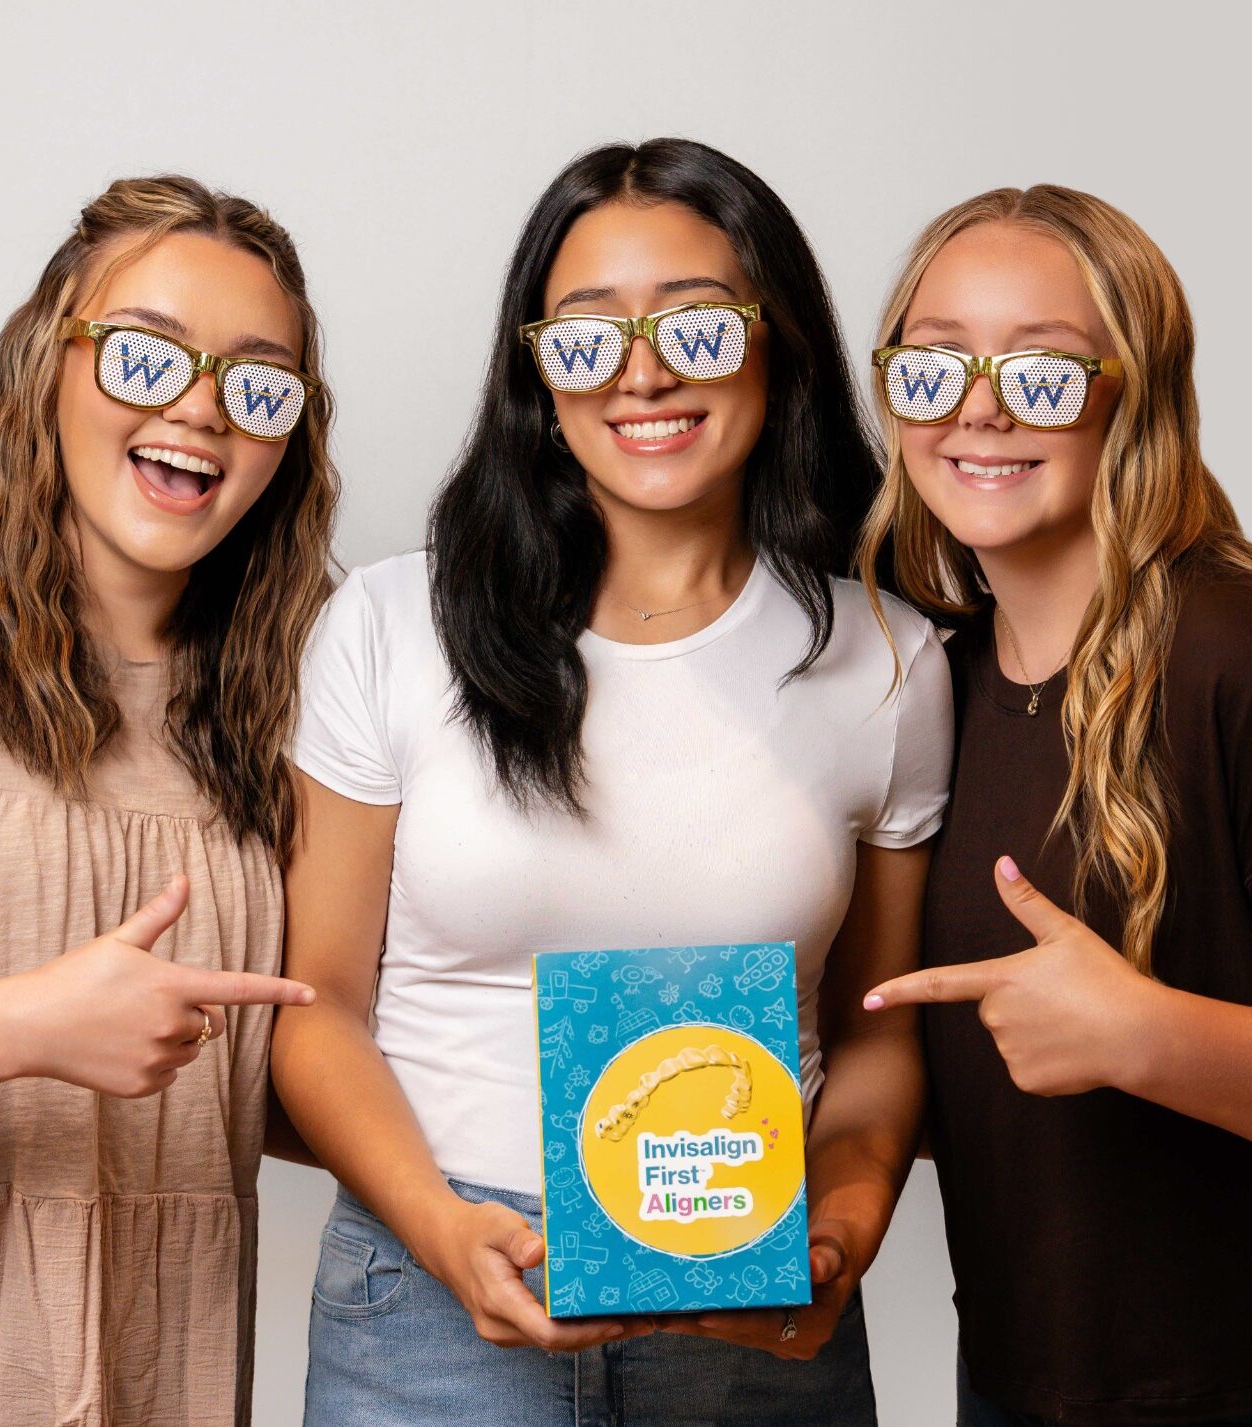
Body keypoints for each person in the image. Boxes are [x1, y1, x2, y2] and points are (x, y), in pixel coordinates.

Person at [275, 138, 952, 1427]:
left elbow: (876, 1033)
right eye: (585, 338)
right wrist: (436, 1228)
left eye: (694, 328)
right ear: (536, 372)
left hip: (750, 1293)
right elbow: (318, 1008)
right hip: (430, 1293)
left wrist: (845, 1223)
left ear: (779, 342)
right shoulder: (387, 623)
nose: (640, 374)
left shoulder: (889, 656)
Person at [0, 175, 336, 1426]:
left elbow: (267, 1069)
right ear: (46, 363)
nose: (198, 406)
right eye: (144, 353)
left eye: (255, 380)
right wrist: (22, 1025)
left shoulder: (292, 704)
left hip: (161, 1358)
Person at [860, 186, 1252, 1426]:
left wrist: (1143, 1036)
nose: (979, 407)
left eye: (1041, 370)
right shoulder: (926, 681)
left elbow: (1104, 1039)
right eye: (933, 363)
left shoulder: (1241, 648)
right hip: (1014, 1381)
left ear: (1135, 391)